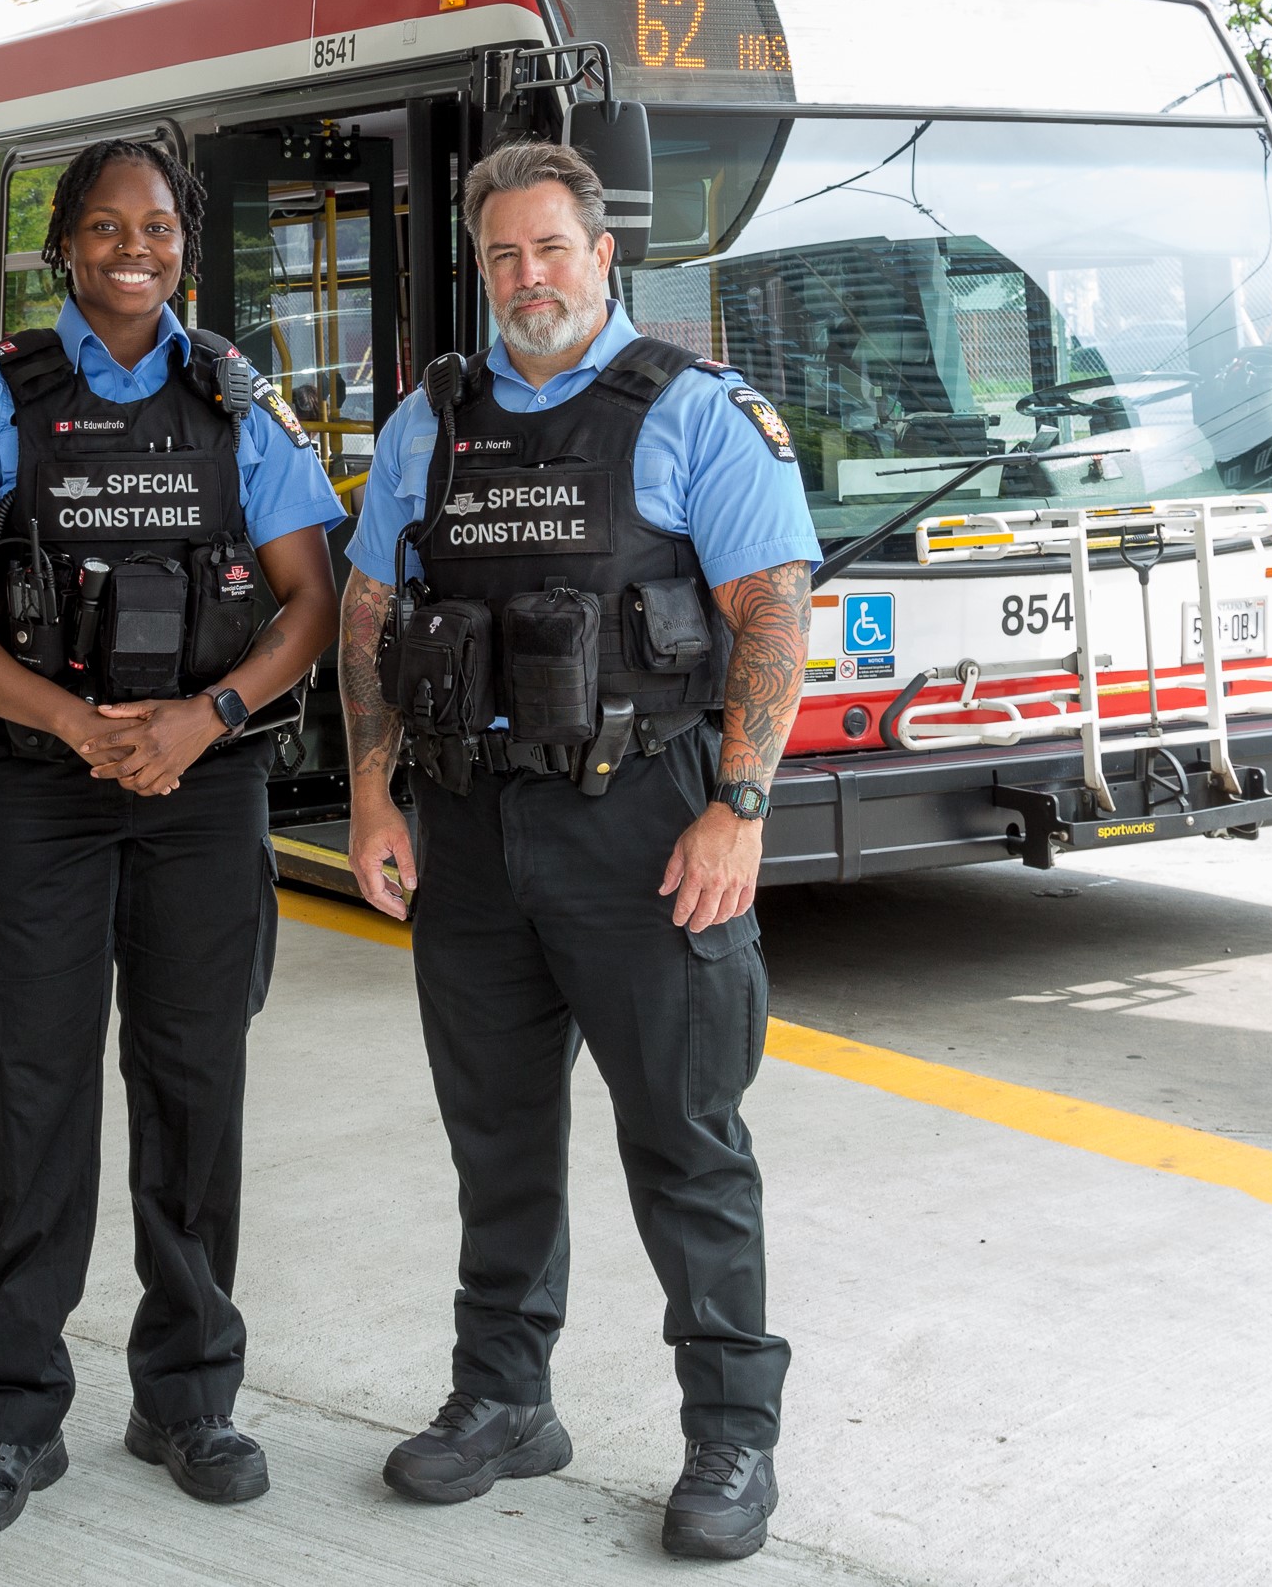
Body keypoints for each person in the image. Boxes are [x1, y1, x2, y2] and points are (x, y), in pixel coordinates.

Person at [339, 141, 816, 1562]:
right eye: (501, 256)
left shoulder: (695, 412)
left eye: (550, 247)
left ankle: (731, 1430)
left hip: (649, 829)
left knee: (685, 1142)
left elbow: (770, 614)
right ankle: (503, 1398)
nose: (526, 277)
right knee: (498, 1137)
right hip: (473, 831)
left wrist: (741, 806)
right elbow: (369, 612)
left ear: (604, 255)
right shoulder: (436, 418)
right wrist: (373, 799)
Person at [0, 139, 344, 1537]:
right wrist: (80, 727)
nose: (131, 248)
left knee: (195, 1085)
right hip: (41, 787)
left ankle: (188, 1395)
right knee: (31, 1096)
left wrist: (205, 717)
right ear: (64, 246)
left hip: (202, 788)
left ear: (183, 246)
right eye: (104, 226)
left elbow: (309, 606)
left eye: (155, 227)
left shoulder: (235, 401)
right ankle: (14, 1419)